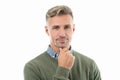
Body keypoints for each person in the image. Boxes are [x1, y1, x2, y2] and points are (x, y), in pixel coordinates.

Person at [24, 5, 101, 80]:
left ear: (73, 29)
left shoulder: (90, 65)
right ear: (47, 30)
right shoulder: (33, 68)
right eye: (56, 28)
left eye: (67, 27)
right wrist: (63, 70)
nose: (62, 34)